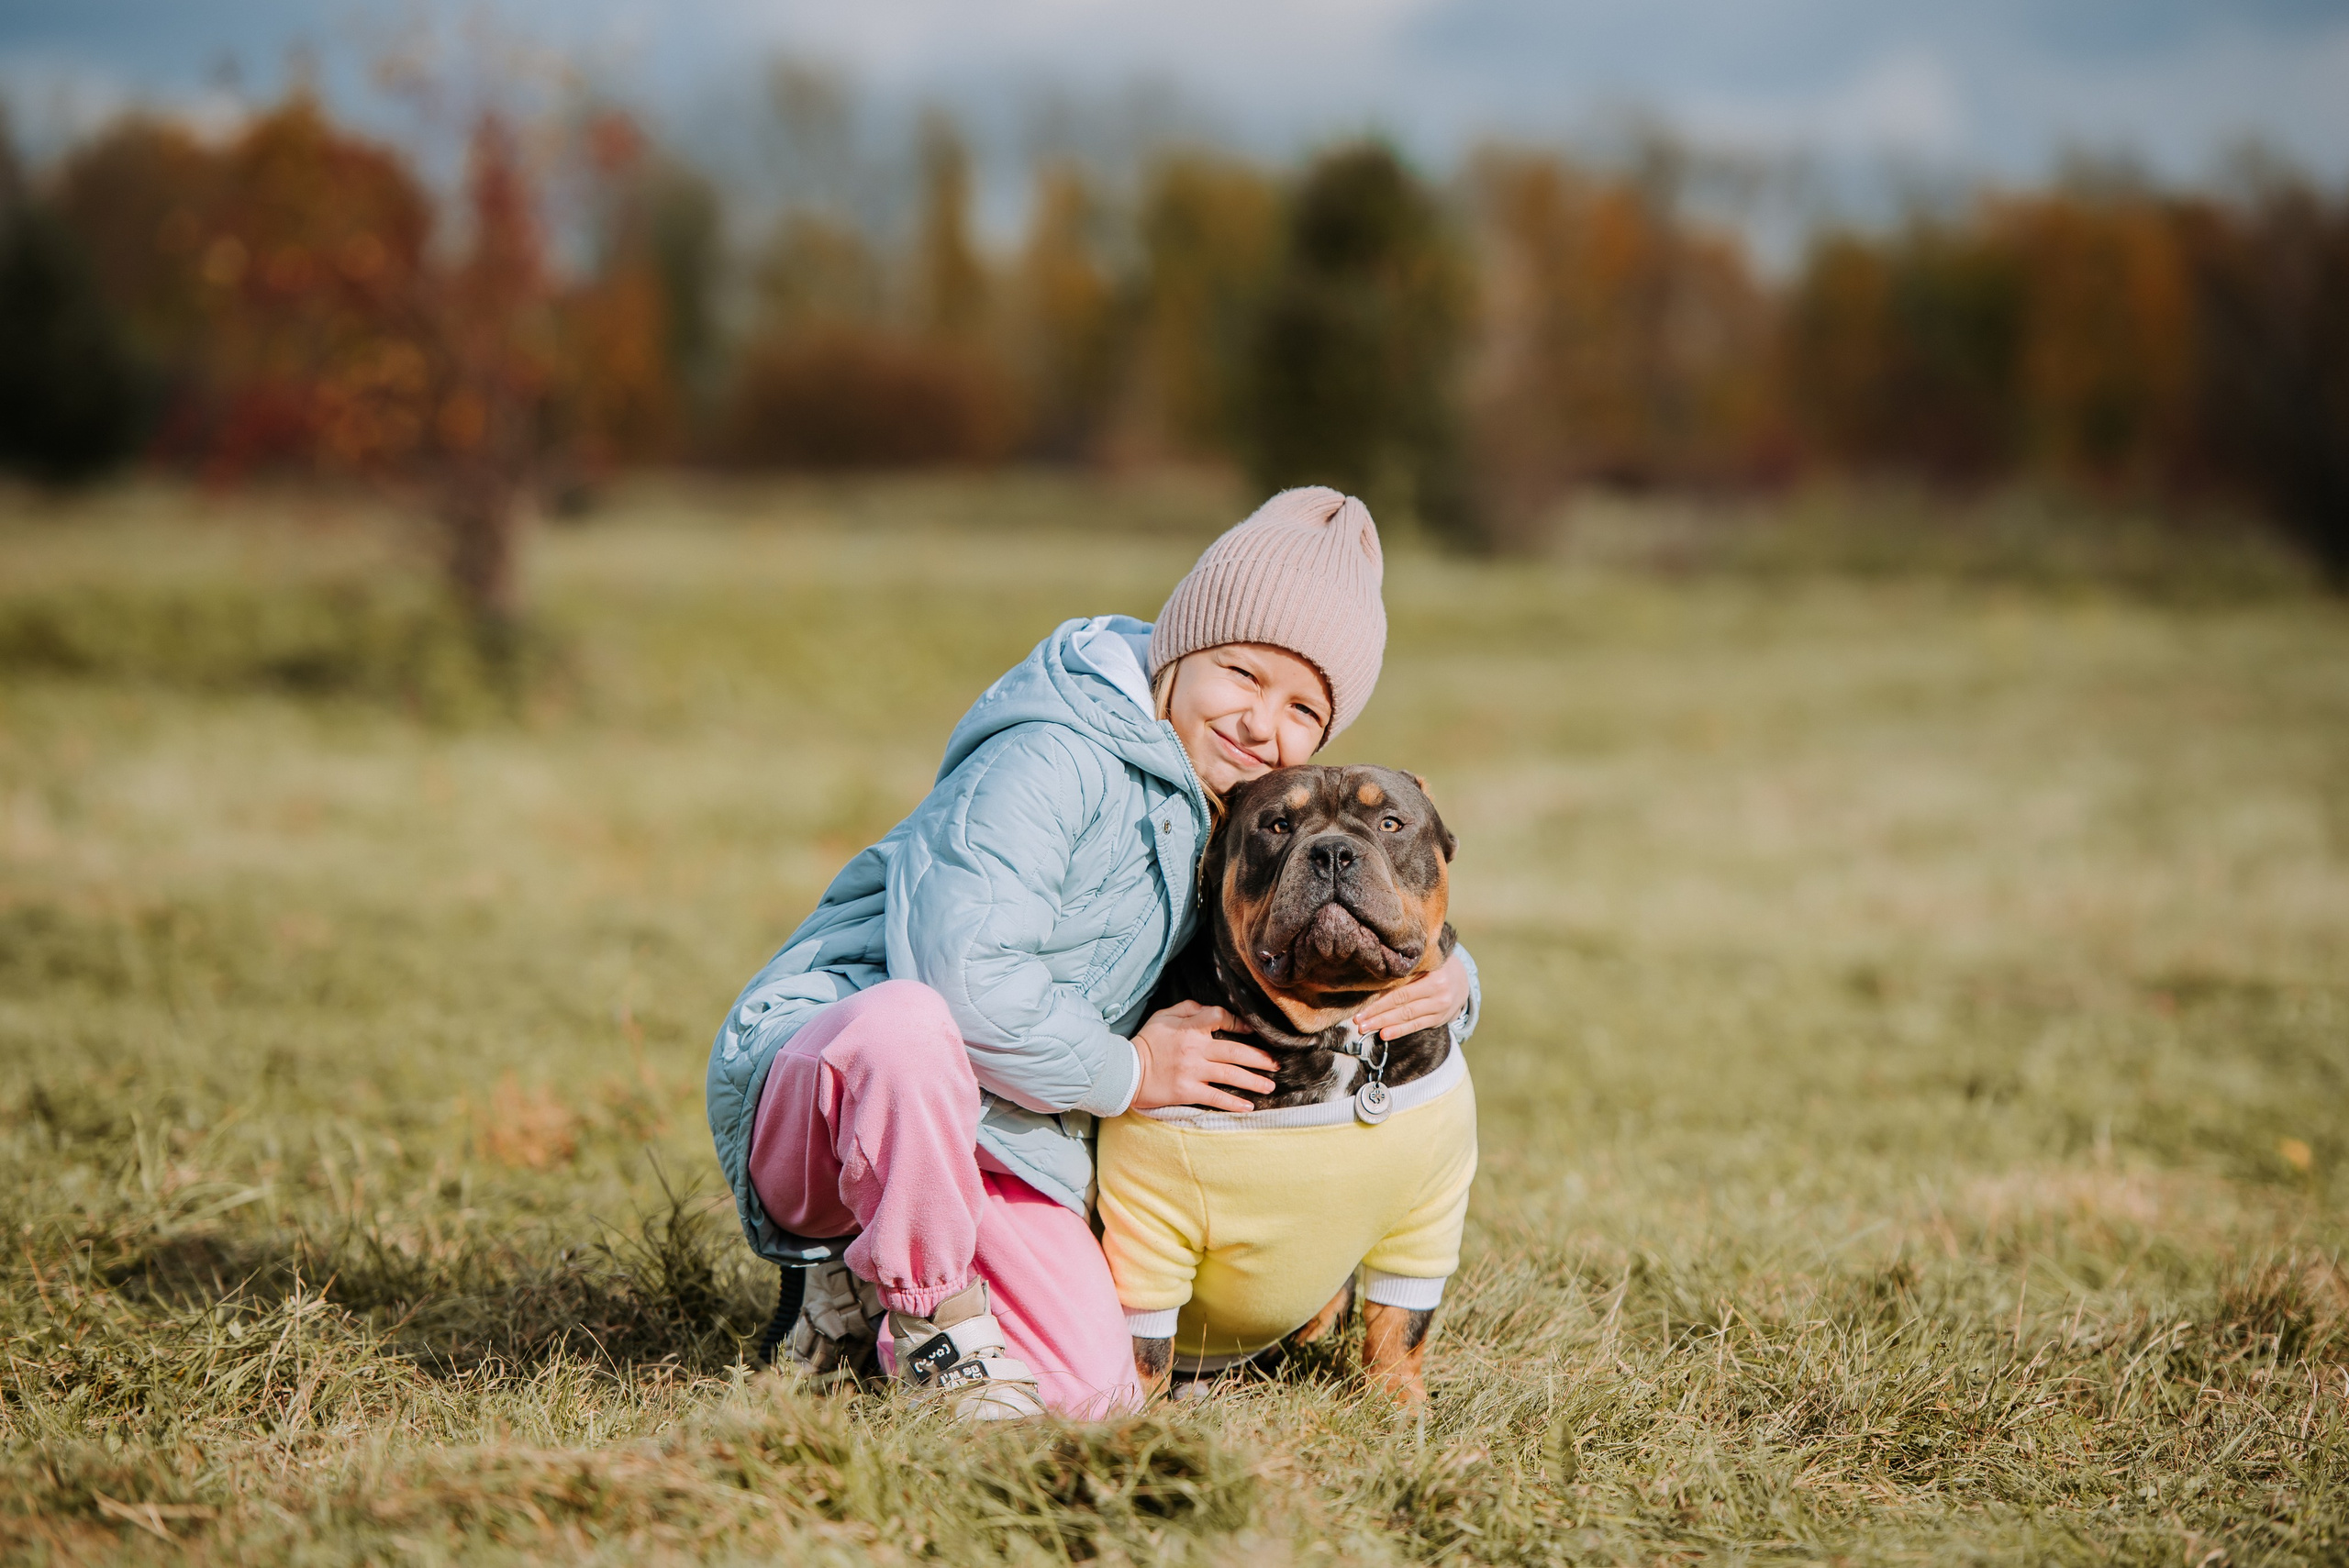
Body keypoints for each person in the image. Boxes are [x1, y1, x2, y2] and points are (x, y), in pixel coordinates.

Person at [704, 487, 1481, 1418]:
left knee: (1092, 1394)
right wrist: (1131, 1070)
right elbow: (961, 978)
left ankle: (863, 1299)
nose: (1258, 720)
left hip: (1010, 1130)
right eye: (1241, 671)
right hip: (839, 1089)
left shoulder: (1234, 815)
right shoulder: (1048, 755)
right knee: (909, 1028)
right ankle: (920, 1310)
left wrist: (1450, 979)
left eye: (1301, 707)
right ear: (1180, 648)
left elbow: (1332, 928)